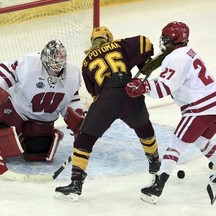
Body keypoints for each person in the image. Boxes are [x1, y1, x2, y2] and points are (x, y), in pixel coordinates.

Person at [54, 26, 161, 201]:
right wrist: (143, 63)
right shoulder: (119, 45)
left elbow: (95, 94)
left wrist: (97, 115)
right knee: (144, 129)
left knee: (85, 140)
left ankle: (75, 184)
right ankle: (155, 167)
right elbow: (144, 42)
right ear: (109, 38)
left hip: (106, 99)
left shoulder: (86, 62)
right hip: (129, 93)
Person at [125, 21, 216, 204]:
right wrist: (146, 84)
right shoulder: (187, 53)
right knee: (201, 139)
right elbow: (172, 80)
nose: (163, 41)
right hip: (212, 105)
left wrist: (143, 87)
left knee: (176, 145)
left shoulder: (175, 58)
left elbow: (165, 88)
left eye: (166, 38)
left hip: (198, 109)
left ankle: (156, 187)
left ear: (173, 39)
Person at [0, 39, 85, 162]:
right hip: (16, 109)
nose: (56, 68)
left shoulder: (73, 74)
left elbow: (71, 99)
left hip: (41, 120)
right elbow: (1, 72)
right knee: (2, 138)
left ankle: (23, 139)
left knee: (38, 152)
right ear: (44, 59)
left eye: (59, 64)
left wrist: (77, 118)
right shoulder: (29, 64)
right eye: (53, 64)